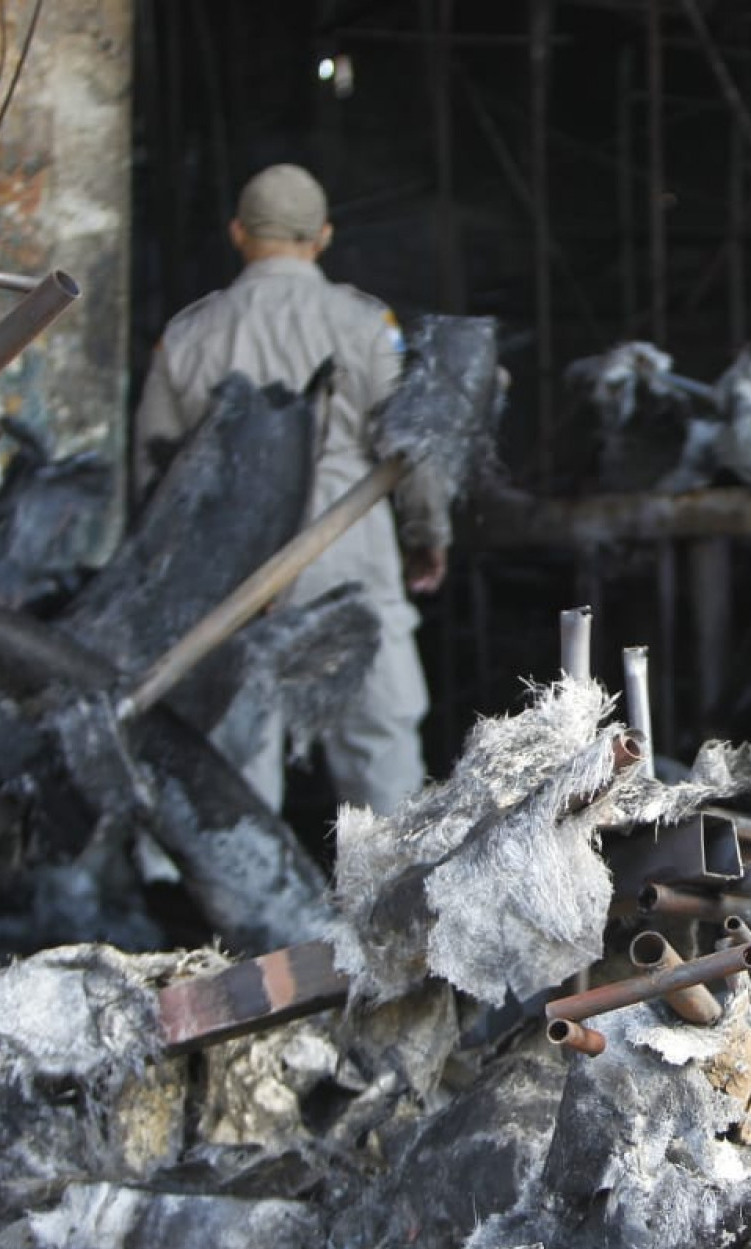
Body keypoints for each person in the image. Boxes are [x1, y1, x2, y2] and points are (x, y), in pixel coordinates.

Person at [134, 162, 448, 817]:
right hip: (348, 556)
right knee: (379, 750)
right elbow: (413, 445)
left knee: (235, 762)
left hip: (230, 571)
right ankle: (394, 911)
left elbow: (153, 472)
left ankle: (244, 917)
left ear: (238, 234)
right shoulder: (364, 324)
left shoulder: (188, 334)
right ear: (323, 235)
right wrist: (427, 535)